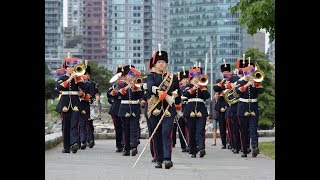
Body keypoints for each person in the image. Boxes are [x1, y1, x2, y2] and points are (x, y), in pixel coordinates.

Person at [147, 50, 182, 169]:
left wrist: (175, 98)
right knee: (156, 134)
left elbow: (178, 92)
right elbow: (151, 88)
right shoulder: (151, 76)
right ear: (155, 64)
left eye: (163, 62)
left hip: (168, 109)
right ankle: (158, 159)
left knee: (166, 133)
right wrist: (164, 95)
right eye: (159, 62)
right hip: (155, 108)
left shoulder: (173, 77)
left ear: (166, 63)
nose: (161, 64)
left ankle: (167, 159)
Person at [56, 57, 87, 153]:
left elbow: (85, 89)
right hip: (65, 103)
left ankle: (74, 143)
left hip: (75, 103)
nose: (71, 68)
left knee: (74, 123)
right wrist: (70, 79)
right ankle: (66, 147)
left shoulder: (78, 78)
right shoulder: (62, 78)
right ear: (65, 68)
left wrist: (78, 80)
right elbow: (59, 87)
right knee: (66, 125)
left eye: (72, 67)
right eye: (69, 67)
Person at [236, 61, 264, 158]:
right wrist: (247, 84)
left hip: (253, 107)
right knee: (244, 130)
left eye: (251, 73)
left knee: (253, 129)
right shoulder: (240, 82)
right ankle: (245, 149)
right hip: (243, 107)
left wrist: (255, 84)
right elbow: (237, 91)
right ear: (245, 73)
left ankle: (255, 147)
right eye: (248, 73)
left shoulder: (256, 82)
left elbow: (261, 91)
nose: (250, 75)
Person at [183, 66, 210, 158]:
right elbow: (185, 94)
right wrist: (194, 88)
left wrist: (201, 87)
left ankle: (201, 148)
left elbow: (207, 96)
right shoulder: (188, 86)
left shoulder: (203, 86)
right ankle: (193, 150)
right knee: (191, 131)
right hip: (190, 109)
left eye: (197, 78)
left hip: (201, 109)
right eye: (194, 78)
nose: (195, 79)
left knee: (201, 129)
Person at [117, 65, 143, 156]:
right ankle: (126, 148)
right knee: (126, 129)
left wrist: (135, 87)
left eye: (133, 76)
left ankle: (134, 146)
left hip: (135, 108)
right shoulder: (121, 84)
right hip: (124, 108)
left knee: (134, 128)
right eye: (129, 75)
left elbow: (141, 95)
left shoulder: (138, 85)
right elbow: (118, 93)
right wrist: (128, 86)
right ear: (126, 76)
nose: (131, 77)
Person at [140, 58, 157, 162]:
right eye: (154, 66)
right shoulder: (147, 79)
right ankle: (155, 154)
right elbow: (142, 94)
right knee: (152, 132)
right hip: (150, 107)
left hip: (163, 107)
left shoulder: (167, 78)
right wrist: (143, 99)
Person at [107, 66, 125, 152]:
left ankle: (126, 143)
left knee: (126, 127)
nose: (121, 77)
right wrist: (113, 93)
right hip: (116, 107)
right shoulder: (114, 84)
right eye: (120, 75)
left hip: (126, 107)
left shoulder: (128, 84)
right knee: (118, 128)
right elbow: (109, 95)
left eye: (123, 76)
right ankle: (119, 145)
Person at [172, 68, 190, 152]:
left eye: (186, 79)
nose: (185, 81)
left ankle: (188, 143)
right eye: (183, 79)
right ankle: (183, 145)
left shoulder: (189, 88)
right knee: (181, 129)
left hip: (187, 109)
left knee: (187, 129)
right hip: (179, 109)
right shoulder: (178, 88)